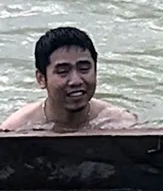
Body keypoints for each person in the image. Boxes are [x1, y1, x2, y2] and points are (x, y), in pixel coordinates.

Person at [0, 26, 138, 132]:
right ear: (41, 79)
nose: (76, 81)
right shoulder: (16, 129)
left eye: (84, 69)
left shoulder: (119, 123)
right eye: (63, 71)